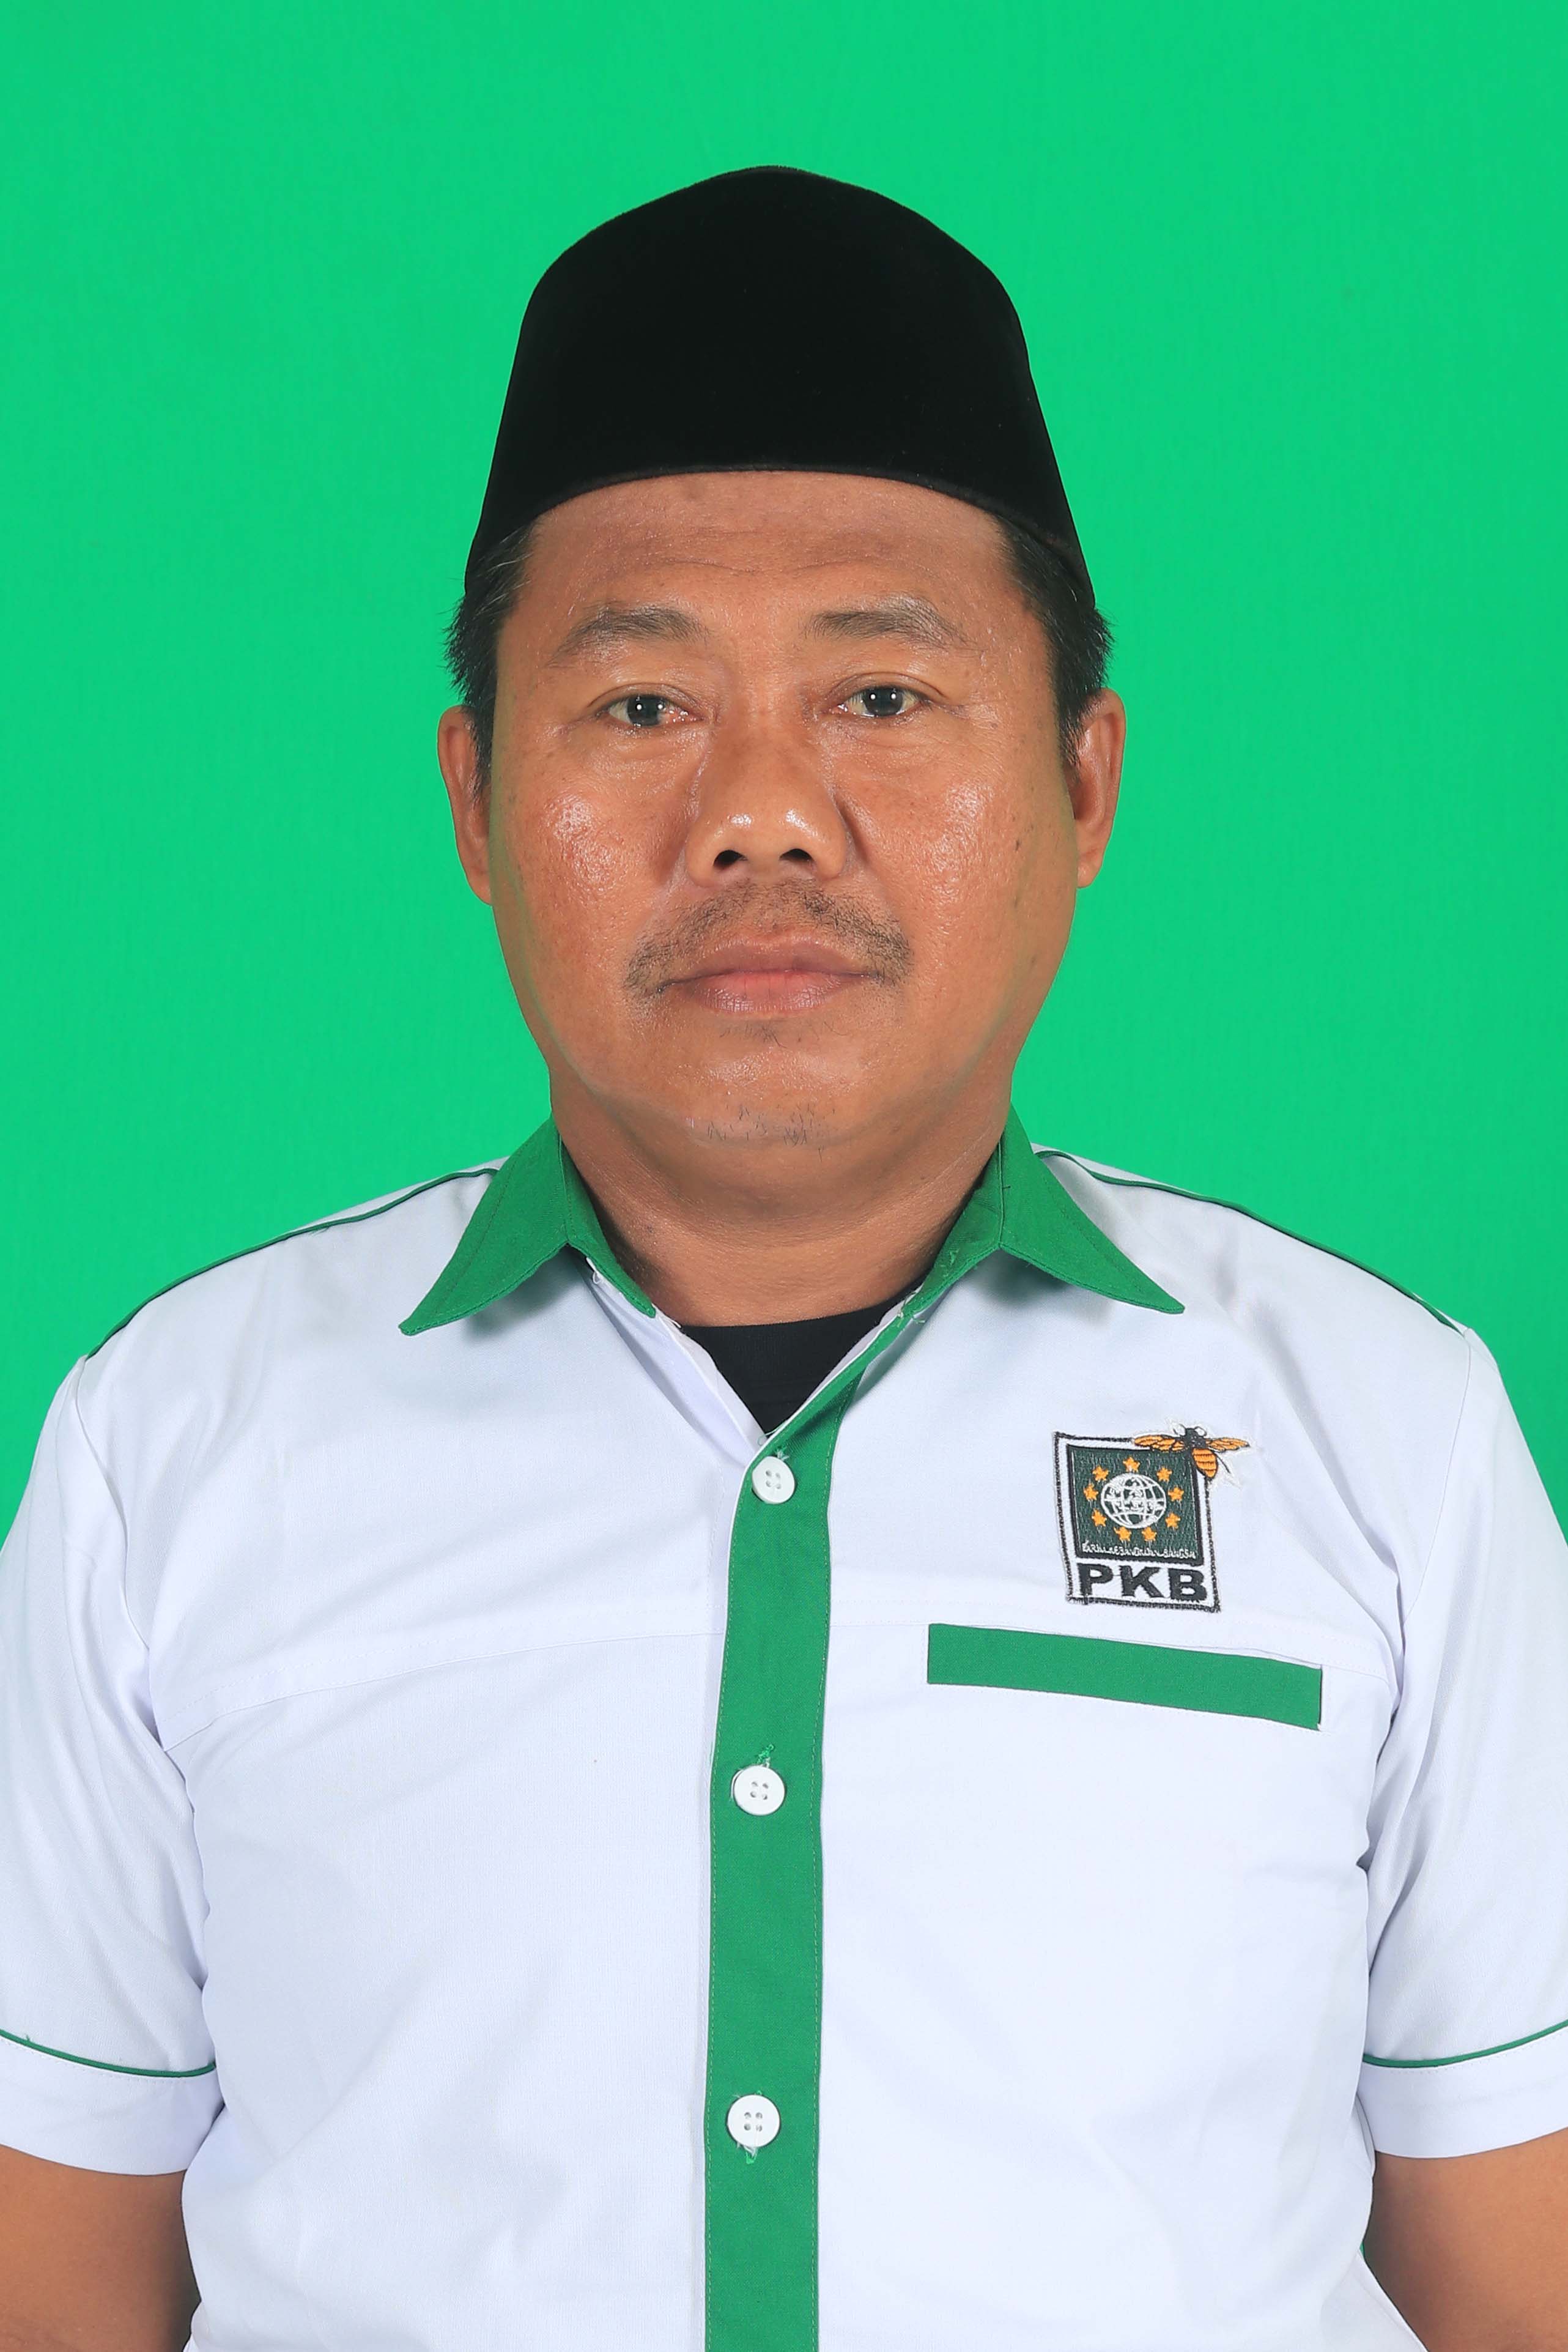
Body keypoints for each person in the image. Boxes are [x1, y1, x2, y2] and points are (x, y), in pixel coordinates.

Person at [1, 165, 1564, 2352]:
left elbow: (1515, 2274)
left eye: (883, 698)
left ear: (1084, 785)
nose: (759, 812)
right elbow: (57, 2272)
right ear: (472, 797)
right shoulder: (178, 1440)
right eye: (640, 706)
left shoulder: (1377, 1429)